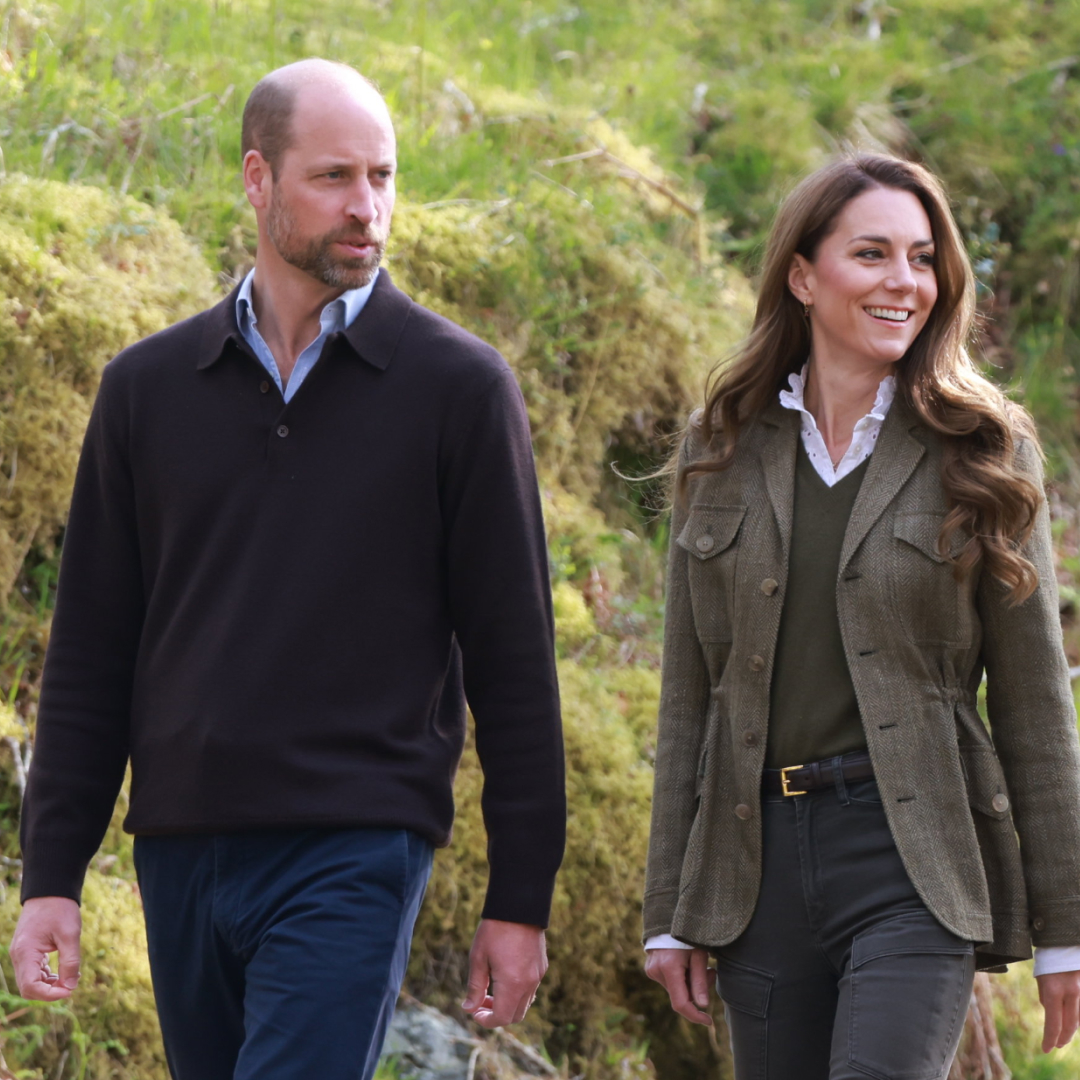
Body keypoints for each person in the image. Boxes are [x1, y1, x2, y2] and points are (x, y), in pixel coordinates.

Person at [9, 58, 565, 1080]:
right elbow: (92, 646)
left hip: (354, 842)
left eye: (384, 178)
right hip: (179, 846)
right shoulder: (146, 391)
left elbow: (515, 662)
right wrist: (53, 874)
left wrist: (519, 899)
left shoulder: (459, 391)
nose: (368, 209)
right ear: (258, 181)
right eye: (335, 178)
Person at [642, 153, 1080, 1078]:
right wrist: (668, 911)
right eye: (873, 253)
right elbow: (689, 697)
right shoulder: (717, 447)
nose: (904, 283)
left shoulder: (986, 451)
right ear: (803, 275)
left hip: (914, 860)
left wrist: (1066, 933)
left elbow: (1038, 709)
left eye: (923, 260)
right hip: (751, 870)